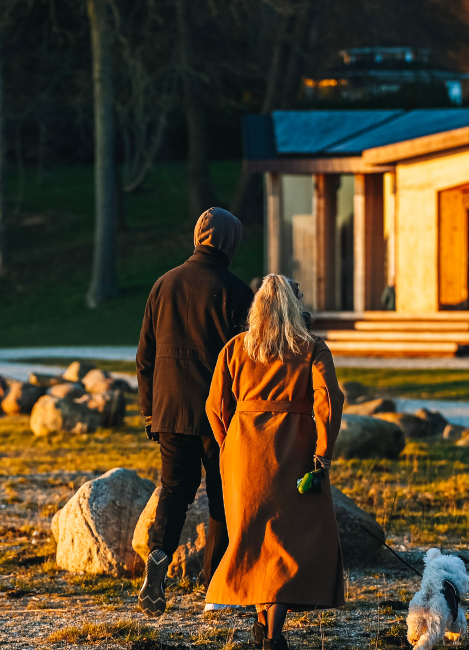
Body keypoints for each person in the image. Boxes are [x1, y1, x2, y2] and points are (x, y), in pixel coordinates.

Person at [204, 274, 346, 650]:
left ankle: (262, 624)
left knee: (253, 537)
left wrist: (228, 445)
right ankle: (272, 636)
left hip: (242, 452)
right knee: (285, 542)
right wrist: (322, 455)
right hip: (292, 452)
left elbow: (215, 406)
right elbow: (328, 405)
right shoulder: (312, 349)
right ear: (294, 308)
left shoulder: (236, 347)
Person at [136, 207, 253, 616]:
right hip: (217, 414)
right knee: (223, 499)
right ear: (230, 242)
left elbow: (144, 356)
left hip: (168, 410)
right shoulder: (237, 292)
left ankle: (158, 557)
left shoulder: (162, 284)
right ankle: (215, 586)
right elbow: (247, 362)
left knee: (174, 491)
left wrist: (150, 411)